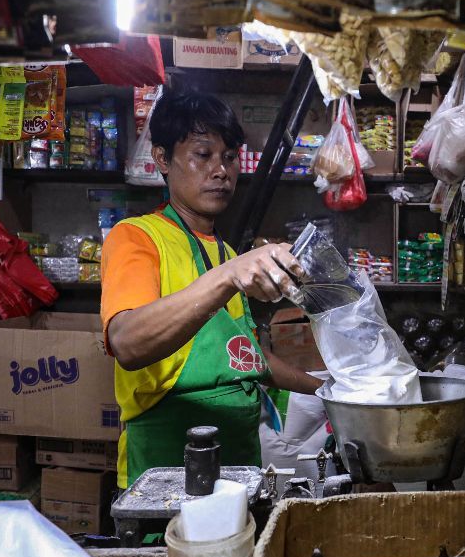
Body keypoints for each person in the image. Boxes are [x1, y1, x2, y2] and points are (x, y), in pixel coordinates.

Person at [101, 87, 322, 489]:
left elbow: (244, 356)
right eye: (203, 155)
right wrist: (228, 275)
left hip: (239, 461)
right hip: (166, 468)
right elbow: (127, 344)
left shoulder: (226, 252)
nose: (220, 170)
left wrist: (327, 391)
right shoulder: (136, 238)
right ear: (163, 159)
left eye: (229, 157)